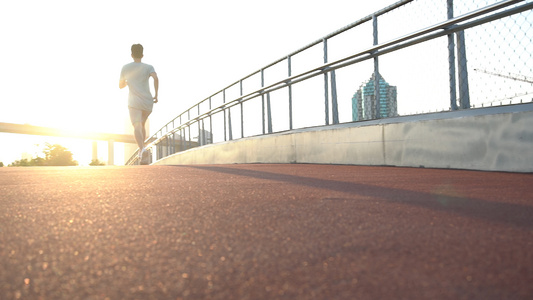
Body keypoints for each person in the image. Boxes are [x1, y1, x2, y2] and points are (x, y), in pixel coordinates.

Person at [119, 44, 159, 164]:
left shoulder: (125, 67)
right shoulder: (149, 67)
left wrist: (127, 82)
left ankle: (142, 150)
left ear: (131, 54)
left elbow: (120, 86)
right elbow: (156, 78)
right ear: (142, 54)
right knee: (142, 125)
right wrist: (156, 94)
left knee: (137, 126)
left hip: (134, 102)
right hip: (147, 101)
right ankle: (144, 150)